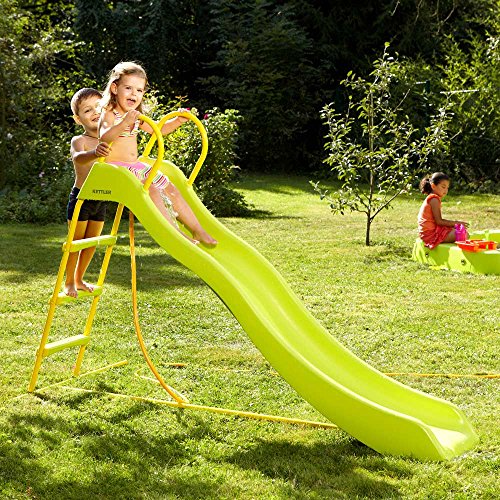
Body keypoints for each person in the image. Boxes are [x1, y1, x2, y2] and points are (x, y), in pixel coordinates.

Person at [98, 61, 217, 246]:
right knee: (151, 189)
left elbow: (158, 130)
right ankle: (176, 233)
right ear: (114, 88)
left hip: (135, 167)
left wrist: (177, 121)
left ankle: (198, 230)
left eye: (139, 90)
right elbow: (104, 137)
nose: (134, 94)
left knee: (170, 188)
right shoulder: (110, 113)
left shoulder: (136, 116)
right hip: (116, 170)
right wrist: (124, 123)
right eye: (128, 88)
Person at [65, 88, 112, 298]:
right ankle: (69, 282)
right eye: (87, 110)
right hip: (81, 198)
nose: (95, 112)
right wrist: (94, 152)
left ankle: (79, 279)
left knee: (92, 243)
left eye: (98, 107)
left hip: (101, 198)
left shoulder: (110, 138)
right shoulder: (79, 140)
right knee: (76, 243)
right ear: (78, 119)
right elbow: (78, 158)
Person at [418, 172, 468, 249]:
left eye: (447, 188)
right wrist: (456, 223)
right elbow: (439, 221)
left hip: (429, 231)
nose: (446, 190)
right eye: (443, 187)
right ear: (433, 186)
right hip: (430, 235)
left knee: (459, 231)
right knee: (464, 234)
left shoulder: (433, 198)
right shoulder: (434, 199)